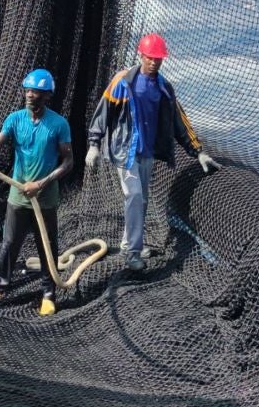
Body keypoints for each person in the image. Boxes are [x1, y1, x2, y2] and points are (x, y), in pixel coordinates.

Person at [85, 33, 219, 271]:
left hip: (147, 153)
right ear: (141, 55)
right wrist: (94, 145)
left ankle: (128, 243)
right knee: (135, 195)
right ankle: (133, 253)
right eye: (151, 57)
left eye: (159, 58)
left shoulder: (164, 88)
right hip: (124, 151)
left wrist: (198, 152)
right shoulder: (122, 81)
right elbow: (102, 112)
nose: (154, 62)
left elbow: (180, 121)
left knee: (141, 200)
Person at [0, 68, 73, 314]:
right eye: (27, 90)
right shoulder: (14, 119)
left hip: (45, 198)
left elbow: (68, 162)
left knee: (47, 245)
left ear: (47, 95)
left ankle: (48, 293)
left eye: (35, 92)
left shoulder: (58, 124)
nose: (29, 95)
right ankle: (1, 286)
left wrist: (41, 184)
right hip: (18, 197)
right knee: (9, 244)